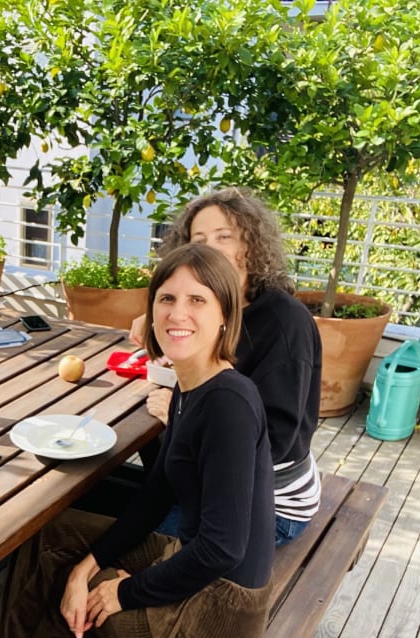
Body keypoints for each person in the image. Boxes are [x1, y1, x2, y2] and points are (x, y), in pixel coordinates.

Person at [0, 244, 275, 638]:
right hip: (202, 582)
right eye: (166, 299)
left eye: (197, 300)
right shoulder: (192, 385)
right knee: (58, 534)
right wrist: (90, 564)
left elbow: (222, 548)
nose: (177, 313)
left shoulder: (228, 405)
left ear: (226, 314)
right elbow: (156, 495)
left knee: (70, 570)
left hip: (212, 632)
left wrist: (122, 589)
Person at [131, 187, 322, 546]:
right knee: (120, 513)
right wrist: (162, 320)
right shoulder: (212, 308)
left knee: (142, 546)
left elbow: (276, 441)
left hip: (271, 503)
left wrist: (183, 420)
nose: (209, 248)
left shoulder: (285, 324)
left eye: (224, 237)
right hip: (209, 477)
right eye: (198, 239)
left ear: (249, 247)